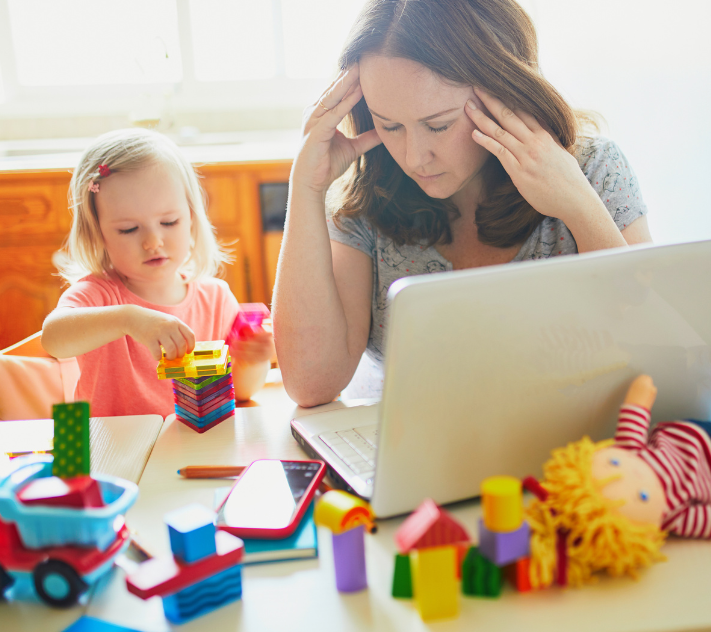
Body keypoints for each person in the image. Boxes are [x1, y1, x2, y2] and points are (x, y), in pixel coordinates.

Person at [272, 0, 653, 406]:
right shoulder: (368, 195)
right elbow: (311, 382)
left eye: (438, 124)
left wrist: (578, 204)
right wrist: (306, 187)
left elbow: (649, 355)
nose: (415, 157)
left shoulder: (595, 170)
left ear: (505, 91)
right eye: (390, 125)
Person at [41, 129, 274, 418]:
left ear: (191, 217)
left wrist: (253, 360)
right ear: (98, 234)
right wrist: (129, 319)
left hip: (193, 445)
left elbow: (240, 391)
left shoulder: (214, 298)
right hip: (122, 453)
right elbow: (53, 338)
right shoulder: (98, 295)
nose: (153, 242)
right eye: (129, 229)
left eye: (168, 221)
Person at [526, 374, 711, 589]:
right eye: (642, 496)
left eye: (612, 463)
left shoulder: (628, 450)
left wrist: (642, 392)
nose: (633, 473)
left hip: (688, 429)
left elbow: (635, 413)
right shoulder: (673, 515)